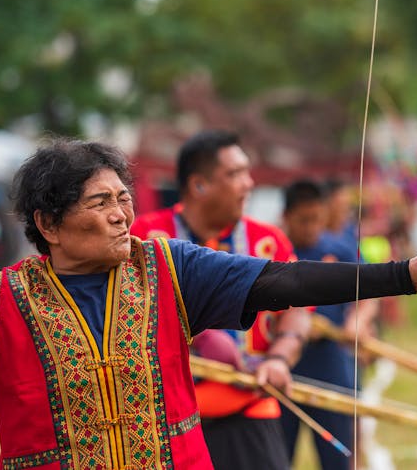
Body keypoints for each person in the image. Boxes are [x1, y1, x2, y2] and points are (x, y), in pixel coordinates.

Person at [0, 138, 417, 470]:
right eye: (100, 202)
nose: (121, 214)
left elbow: (281, 283)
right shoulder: (2, 297)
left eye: (123, 199)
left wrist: (407, 274)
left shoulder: (167, 266)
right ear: (49, 224)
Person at [131, 130, 311, 470]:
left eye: (247, 172)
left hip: (249, 403)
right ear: (199, 185)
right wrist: (198, 331)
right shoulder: (145, 236)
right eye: (235, 174)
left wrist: (279, 359)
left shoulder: (267, 240)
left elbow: (298, 309)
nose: (248, 183)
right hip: (167, 417)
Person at [279, 180, 377, 469]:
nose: (311, 227)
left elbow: (369, 297)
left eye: (316, 219)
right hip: (285, 371)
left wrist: (356, 322)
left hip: (332, 370)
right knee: (278, 458)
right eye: (303, 220)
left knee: (339, 459)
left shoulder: (341, 250)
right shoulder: (274, 250)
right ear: (286, 217)